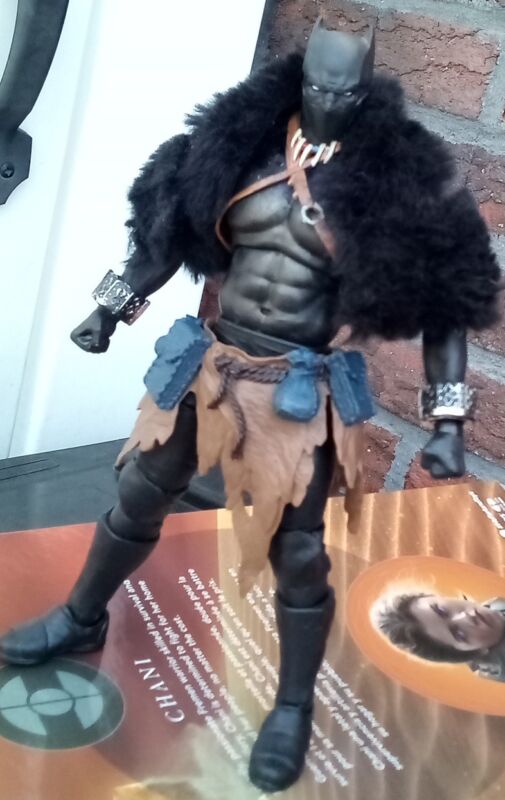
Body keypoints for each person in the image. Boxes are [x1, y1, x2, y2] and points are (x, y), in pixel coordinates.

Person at [0, 17, 500, 793]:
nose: (329, 99)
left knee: (297, 554)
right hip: (211, 364)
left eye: (345, 89)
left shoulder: (395, 182)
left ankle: (292, 704)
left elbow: (446, 309)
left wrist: (446, 424)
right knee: (137, 497)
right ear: (301, 79)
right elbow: (162, 236)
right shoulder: (242, 147)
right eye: (319, 85)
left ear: (365, 89)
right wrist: (109, 308)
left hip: (296, 386)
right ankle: (82, 615)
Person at [378, 593, 505, 682]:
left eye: (441, 610)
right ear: (475, 652)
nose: (467, 617)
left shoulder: (494, 605)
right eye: (460, 634)